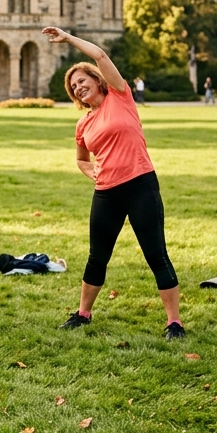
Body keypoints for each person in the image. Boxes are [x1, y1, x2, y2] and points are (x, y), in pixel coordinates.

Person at [44, 27, 184, 339]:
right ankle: (83, 313)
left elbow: (100, 54)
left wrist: (68, 38)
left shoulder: (120, 96)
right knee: (97, 256)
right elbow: (81, 159)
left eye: (82, 81)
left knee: (156, 253)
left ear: (97, 81)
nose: (78, 87)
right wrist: (89, 171)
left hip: (140, 186)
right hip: (106, 193)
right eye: (73, 86)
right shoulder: (83, 124)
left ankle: (174, 322)